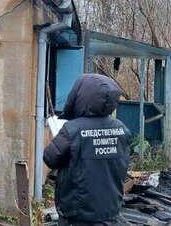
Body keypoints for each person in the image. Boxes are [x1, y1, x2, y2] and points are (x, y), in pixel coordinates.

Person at [43, 74, 132, 226]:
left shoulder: (72, 130)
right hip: (110, 211)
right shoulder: (122, 129)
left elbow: (50, 158)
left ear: (80, 96)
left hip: (78, 214)